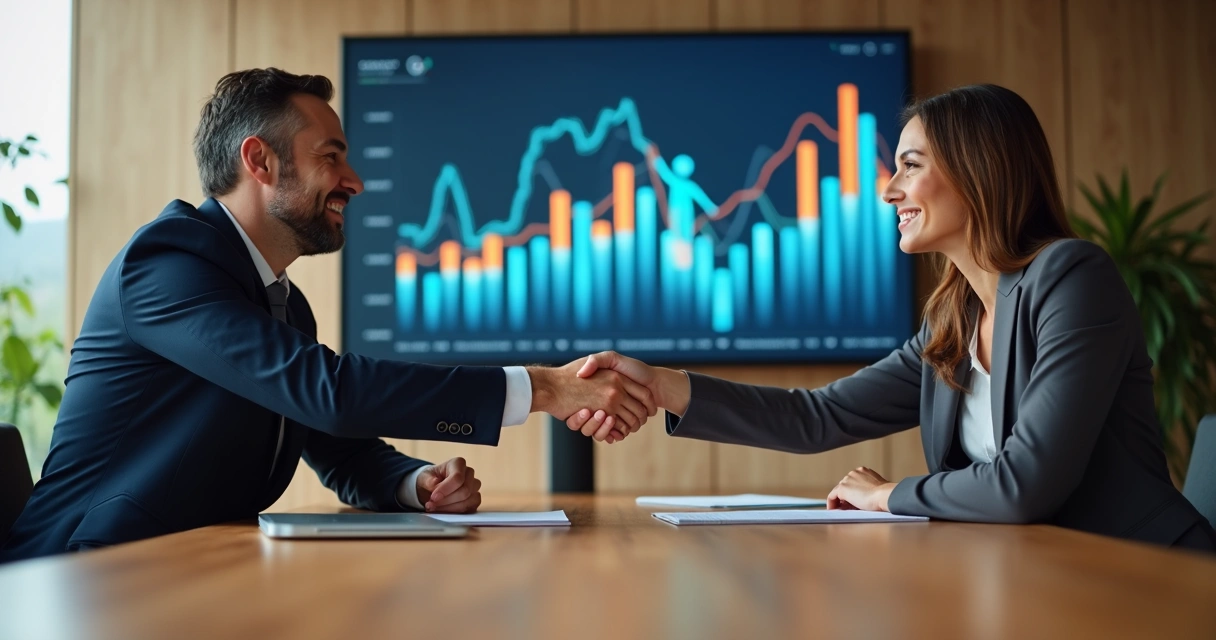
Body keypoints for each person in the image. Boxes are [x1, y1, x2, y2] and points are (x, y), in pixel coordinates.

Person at [0, 68, 655, 563]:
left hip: (188, 574)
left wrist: (412, 484)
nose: (355, 181)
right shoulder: (166, 265)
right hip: (81, 579)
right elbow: (330, 393)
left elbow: (336, 444)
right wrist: (543, 387)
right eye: (331, 157)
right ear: (258, 161)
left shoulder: (284, 303)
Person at [566, 84, 1216, 552]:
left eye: (911, 166)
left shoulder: (1072, 279)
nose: (888, 190)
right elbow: (816, 417)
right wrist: (659, 384)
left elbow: (1024, 486)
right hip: (1045, 574)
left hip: (1148, 575)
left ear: (978, 170)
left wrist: (887, 494)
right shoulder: (953, 323)